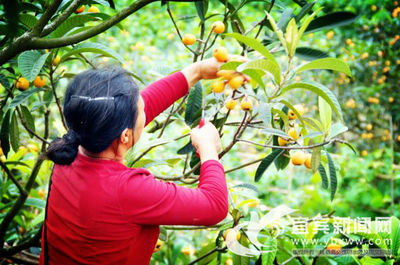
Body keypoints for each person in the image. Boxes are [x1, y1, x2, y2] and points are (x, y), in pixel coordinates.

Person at [38, 57, 229, 265]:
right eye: (142, 112)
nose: (146, 110)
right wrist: (209, 148)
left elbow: (128, 110)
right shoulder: (129, 190)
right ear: (125, 137)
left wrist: (198, 71)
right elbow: (214, 206)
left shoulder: (66, 152)